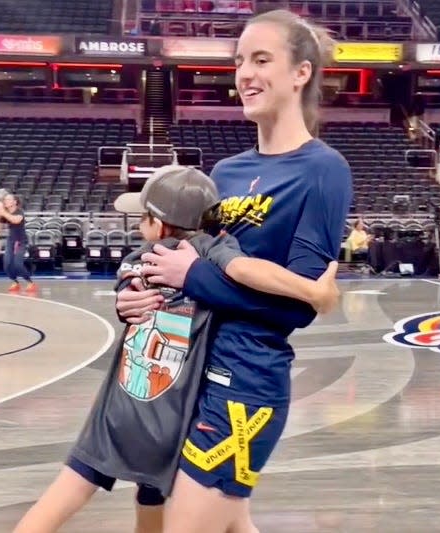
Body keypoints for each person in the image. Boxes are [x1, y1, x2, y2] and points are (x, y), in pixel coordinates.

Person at [116, 9, 353, 533]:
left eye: (262, 59)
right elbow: (179, 263)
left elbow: (297, 306)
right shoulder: (227, 172)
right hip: (189, 368)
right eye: (240, 60)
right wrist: (136, 298)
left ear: (301, 72)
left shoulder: (323, 170)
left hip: (244, 383)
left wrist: (192, 277)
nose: (244, 73)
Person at [13, 165, 341, 533]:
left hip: (121, 407)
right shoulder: (211, 251)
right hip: (175, 416)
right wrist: (311, 291)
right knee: (171, 497)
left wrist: (126, 297)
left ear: (159, 223)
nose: (139, 225)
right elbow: (247, 270)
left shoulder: (141, 258)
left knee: (69, 490)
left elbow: (128, 290)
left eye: (143, 217)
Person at [0, 193, 37, 293]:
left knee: (17, 264)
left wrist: (2, 212)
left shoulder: (19, 212)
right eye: (5, 200)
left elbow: (15, 220)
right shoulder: (5, 213)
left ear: (14, 202)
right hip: (10, 241)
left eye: (8, 199)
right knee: (7, 264)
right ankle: (15, 282)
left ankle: (30, 282)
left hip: (20, 241)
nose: (5, 201)